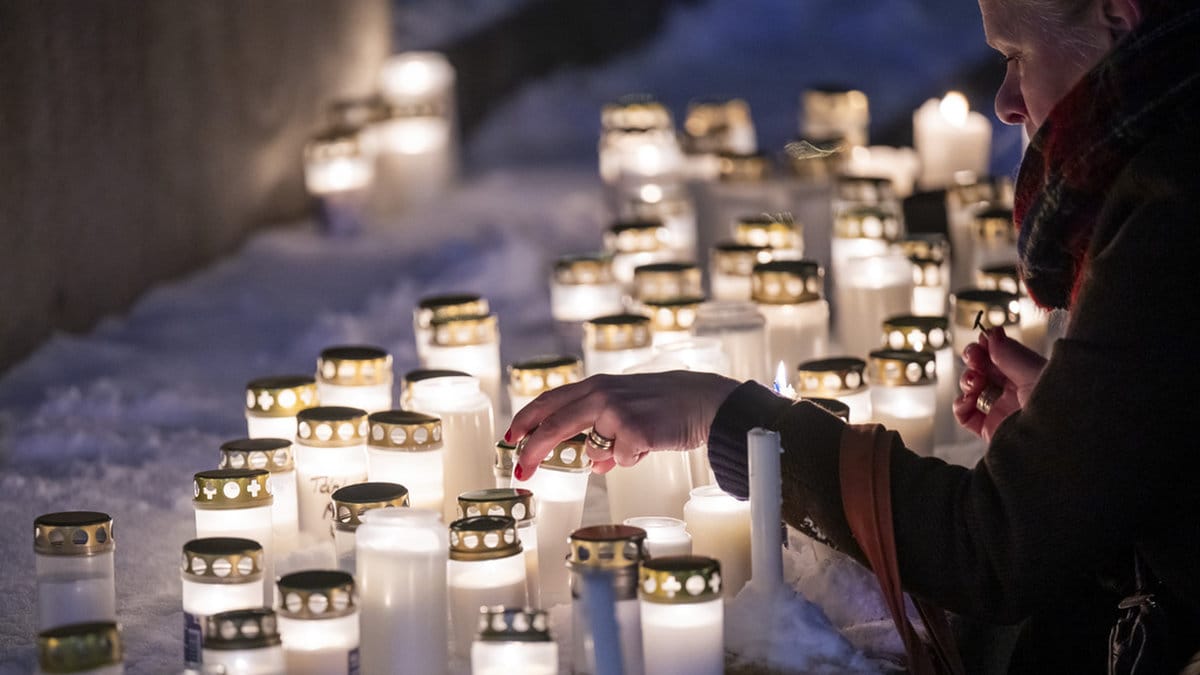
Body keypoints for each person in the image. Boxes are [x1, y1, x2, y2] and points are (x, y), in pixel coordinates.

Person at [508, 0, 1200, 670]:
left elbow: (995, 549)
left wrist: (723, 417)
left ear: (1118, 19)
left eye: (1016, 55)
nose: (1005, 103)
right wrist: (1083, 429)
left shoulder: (1171, 210)